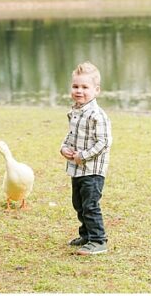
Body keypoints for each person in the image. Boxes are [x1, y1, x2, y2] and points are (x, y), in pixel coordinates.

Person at [60, 61, 112, 255]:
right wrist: (64, 148)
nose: (79, 91)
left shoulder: (97, 115)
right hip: (76, 169)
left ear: (96, 90)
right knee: (79, 204)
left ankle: (99, 240)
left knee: (90, 205)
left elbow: (104, 143)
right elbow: (71, 136)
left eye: (84, 87)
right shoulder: (75, 112)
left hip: (92, 170)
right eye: (75, 86)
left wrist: (83, 155)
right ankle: (87, 235)